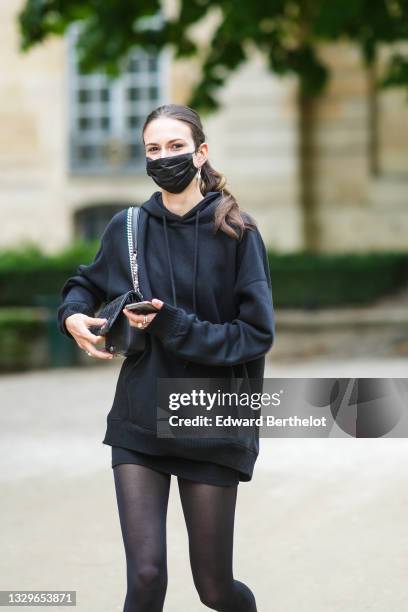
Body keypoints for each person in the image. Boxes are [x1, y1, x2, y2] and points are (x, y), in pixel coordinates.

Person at [57, 103, 275, 611]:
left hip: (212, 418)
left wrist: (172, 324)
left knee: (215, 589)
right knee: (147, 575)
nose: (164, 157)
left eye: (176, 146)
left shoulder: (238, 232)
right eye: (153, 149)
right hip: (140, 420)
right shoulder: (128, 226)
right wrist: (71, 315)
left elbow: (255, 334)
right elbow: (84, 284)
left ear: (201, 153)